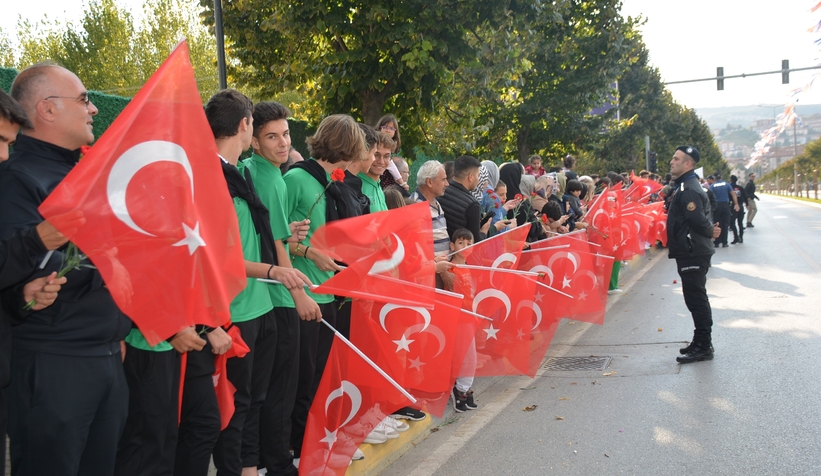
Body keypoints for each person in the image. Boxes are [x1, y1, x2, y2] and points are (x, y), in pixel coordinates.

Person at [0, 62, 132, 476]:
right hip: (55, 362)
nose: (93, 109)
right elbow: (23, 269)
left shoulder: (83, 174)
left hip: (105, 357)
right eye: (84, 99)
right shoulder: (17, 177)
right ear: (47, 109)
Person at [243, 101, 322, 476]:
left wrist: (290, 237)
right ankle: (276, 462)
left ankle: (263, 460)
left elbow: (273, 237)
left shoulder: (257, 172)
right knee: (278, 391)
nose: (281, 143)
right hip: (276, 295)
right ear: (254, 141)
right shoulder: (271, 178)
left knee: (266, 391)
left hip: (265, 294)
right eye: (271, 136)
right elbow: (275, 248)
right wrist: (299, 294)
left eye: (285, 134)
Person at [0, 89, 75, 473]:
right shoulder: (17, 181)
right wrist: (37, 240)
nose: (3, 156)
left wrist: (21, 298)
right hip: (47, 364)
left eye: (9, 144)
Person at [285, 115, 367, 461]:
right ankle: (300, 443)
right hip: (305, 291)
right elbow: (276, 238)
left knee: (324, 373)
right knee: (305, 377)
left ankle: (320, 436)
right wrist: (308, 252)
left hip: (334, 289)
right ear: (344, 147)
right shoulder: (295, 179)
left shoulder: (336, 181)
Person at [666, 146, 721, 364]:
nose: (672, 161)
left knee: (696, 298)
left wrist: (710, 230)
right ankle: (700, 341)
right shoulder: (685, 185)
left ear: (688, 164)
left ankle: (704, 346)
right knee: (694, 297)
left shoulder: (688, 188)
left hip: (693, 250)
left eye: (676, 158)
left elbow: (696, 218)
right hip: (691, 249)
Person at [443, 228, 479, 413]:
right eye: (460, 243)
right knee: (465, 356)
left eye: (469, 243)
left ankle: (464, 388)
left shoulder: (473, 267)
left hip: (470, 318)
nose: (465, 247)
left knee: (469, 356)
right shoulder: (448, 268)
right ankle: (460, 391)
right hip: (457, 319)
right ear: (452, 245)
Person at [438, 155, 492, 241]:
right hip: (461, 253)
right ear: (470, 177)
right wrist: (484, 231)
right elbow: (474, 242)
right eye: (478, 175)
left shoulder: (440, 192)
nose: (478, 179)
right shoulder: (472, 204)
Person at [360, 131, 395, 213]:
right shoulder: (356, 184)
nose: (381, 161)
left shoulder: (378, 186)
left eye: (386, 156)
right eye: (376, 155)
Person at [374, 114, 408, 191]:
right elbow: (391, 165)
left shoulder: (392, 145)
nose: (388, 130)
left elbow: (390, 165)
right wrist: (402, 182)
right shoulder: (375, 142)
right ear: (379, 128)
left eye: (392, 128)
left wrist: (402, 183)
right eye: (385, 127)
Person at [709, 172, 738, 248]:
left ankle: (717, 242)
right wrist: (736, 204)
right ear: (721, 177)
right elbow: (733, 194)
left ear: (714, 178)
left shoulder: (712, 186)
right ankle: (725, 242)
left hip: (717, 206)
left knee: (717, 223)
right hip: (725, 205)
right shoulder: (727, 184)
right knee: (725, 224)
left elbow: (709, 197)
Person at [729, 175, 747, 245]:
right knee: (740, 223)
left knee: (732, 222)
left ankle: (736, 237)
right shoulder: (740, 188)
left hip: (733, 206)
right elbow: (745, 197)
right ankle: (741, 237)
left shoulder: (730, 187)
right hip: (740, 206)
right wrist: (747, 205)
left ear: (731, 180)